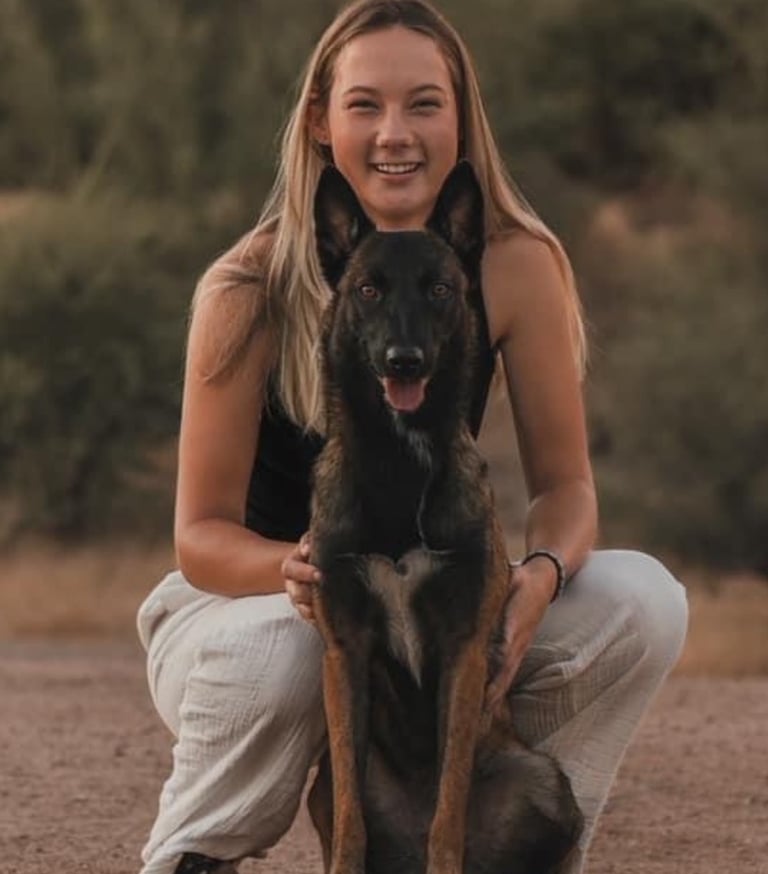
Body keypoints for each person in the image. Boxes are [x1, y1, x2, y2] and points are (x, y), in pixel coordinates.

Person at [135, 2, 688, 872]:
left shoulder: (514, 263)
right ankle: (194, 852)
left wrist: (538, 580)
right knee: (295, 642)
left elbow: (566, 487)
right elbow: (198, 538)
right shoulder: (247, 284)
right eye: (365, 104)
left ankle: (512, 845)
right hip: (248, 605)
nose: (396, 133)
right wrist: (297, 571)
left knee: (643, 599)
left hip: (430, 605)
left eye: (424, 103)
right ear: (320, 121)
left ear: (462, 118)